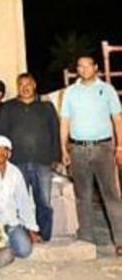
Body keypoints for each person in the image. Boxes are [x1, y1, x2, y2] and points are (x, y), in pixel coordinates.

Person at [60, 54, 122, 254]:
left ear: (96, 68)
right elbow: (65, 121)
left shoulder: (107, 90)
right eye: (80, 66)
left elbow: (117, 119)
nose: (84, 69)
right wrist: (64, 148)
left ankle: (120, 240)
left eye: (87, 66)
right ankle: (87, 240)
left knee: (111, 195)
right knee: (82, 196)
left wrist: (120, 147)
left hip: (103, 148)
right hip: (78, 149)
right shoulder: (70, 92)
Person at [0, 72, 59, 241]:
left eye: (28, 84)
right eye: (21, 85)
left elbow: (55, 132)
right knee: (17, 201)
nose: (25, 88)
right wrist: (2, 160)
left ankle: (43, 234)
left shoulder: (46, 107)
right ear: (17, 87)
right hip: (17, 163)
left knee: (44, 202)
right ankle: (22, 235)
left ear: (34, 85)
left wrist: (55, 157)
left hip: (43, 161)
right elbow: (2, 134)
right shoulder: (8, 107)